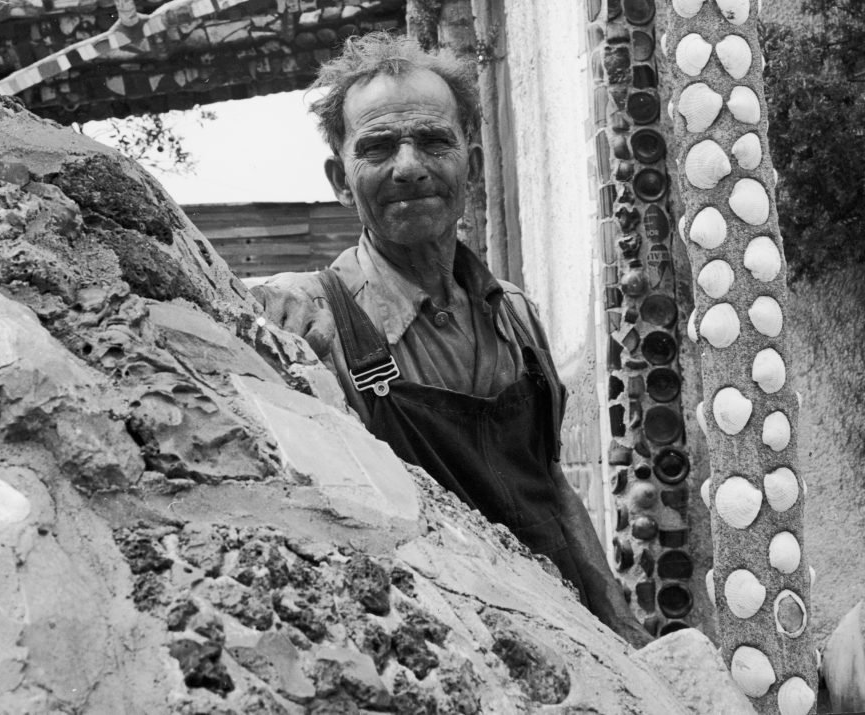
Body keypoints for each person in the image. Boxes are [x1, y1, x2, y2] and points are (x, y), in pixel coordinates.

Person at [252, 33, 648, 646]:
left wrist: (621, 626)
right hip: (451, 650)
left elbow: (547, 480)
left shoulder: (514, 313)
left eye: (434, 141)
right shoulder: (315, 319)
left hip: (572, 645)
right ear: (339, 179)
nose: (408, 167)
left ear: (472, 162)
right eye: (378, 147)